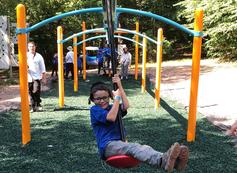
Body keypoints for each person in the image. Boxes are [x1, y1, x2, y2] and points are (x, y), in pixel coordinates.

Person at [89, 74, 189, 172]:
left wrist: (119, 85)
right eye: (98, 99)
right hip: (107, 147)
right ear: (92, 99)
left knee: (144, 148)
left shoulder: (112, 107)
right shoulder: (95, 110)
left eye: (105, 97)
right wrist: (116, 99)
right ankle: (162, 161)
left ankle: (176, 163)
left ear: (109, 97)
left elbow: (126, 105)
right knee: (134, 147)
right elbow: (111, 117)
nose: (102, 101)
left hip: (118, 144)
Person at [27, 41, 46, 112]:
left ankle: (38, 104)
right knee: (30, 92)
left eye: (33, 46)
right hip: (28, 77)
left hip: (37, 77)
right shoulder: (26, 55)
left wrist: (44, 76)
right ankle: (32, 106)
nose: (31, 48)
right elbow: (21, 64)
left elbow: (42, 66)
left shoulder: (39, 56)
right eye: (30, 46)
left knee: (36, 91)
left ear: (35, 47)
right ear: (28, 47)